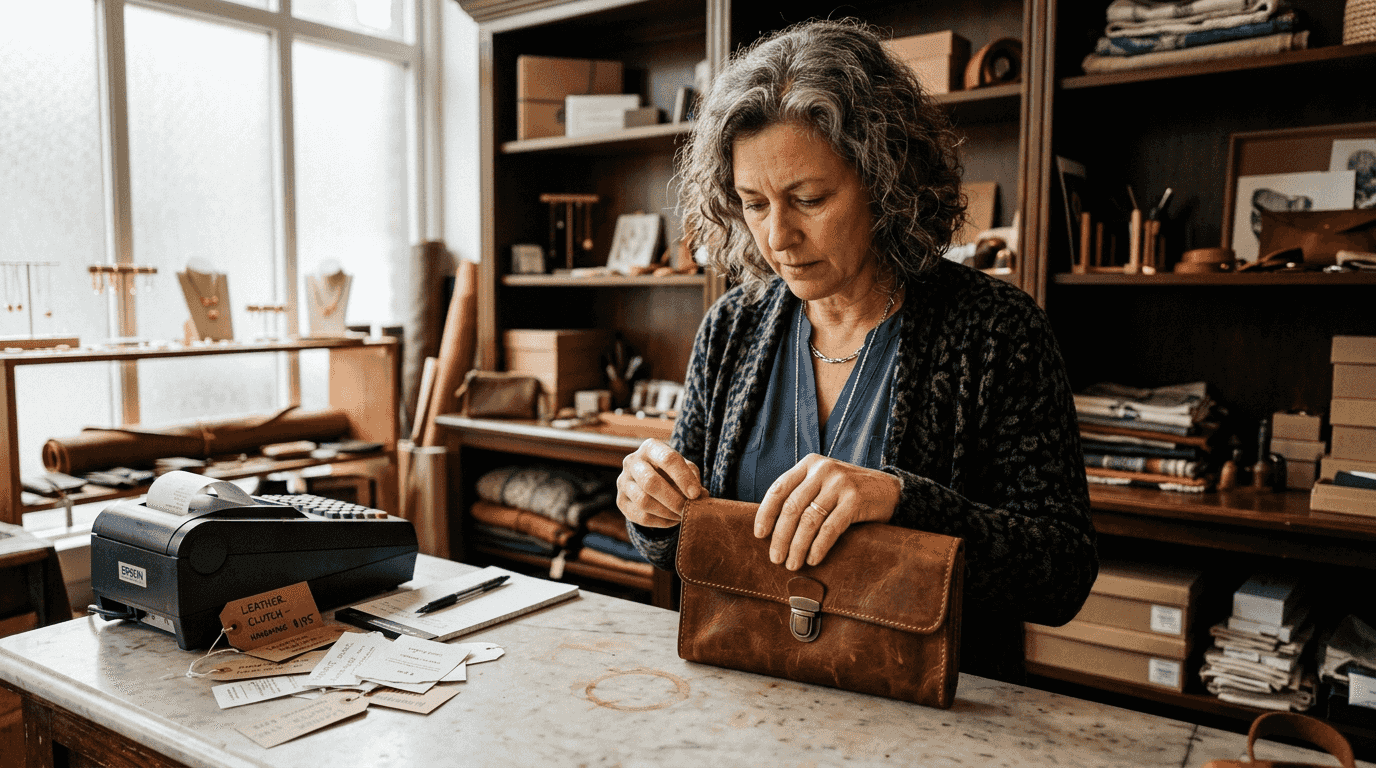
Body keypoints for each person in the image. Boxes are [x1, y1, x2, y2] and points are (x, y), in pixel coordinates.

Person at [616, 18, 1098, 683]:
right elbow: (685, 542)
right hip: (750, 690)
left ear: (885, 181)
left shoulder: (996, 331)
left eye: (809, 199)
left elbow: (1063, 573)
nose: (777, 237)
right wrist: (651, 510)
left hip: (927, 710)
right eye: (754, 203)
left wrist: (904, 501)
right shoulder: (731, 328)